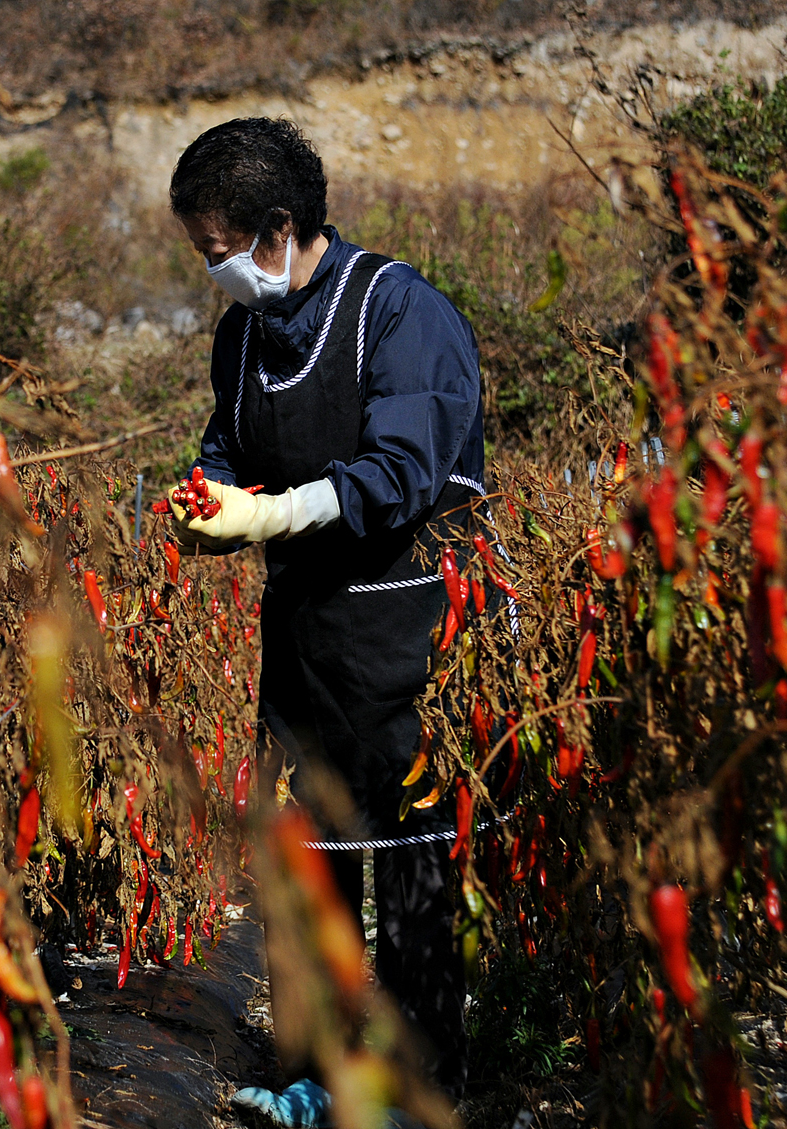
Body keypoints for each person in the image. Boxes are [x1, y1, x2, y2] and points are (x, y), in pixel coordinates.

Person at [166, 118, 485, 1120]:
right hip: (304, 636)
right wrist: (208, 502)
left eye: (218, 251)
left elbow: (402, 472)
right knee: (304, 861)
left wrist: (273, 514)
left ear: (278, 228)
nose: (214, 272)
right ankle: (313, 1073)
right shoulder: (244, 336)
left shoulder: (398, 311)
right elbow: (227, 446)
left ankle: (418, 1086)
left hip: (409, 624)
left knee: (412, 859)